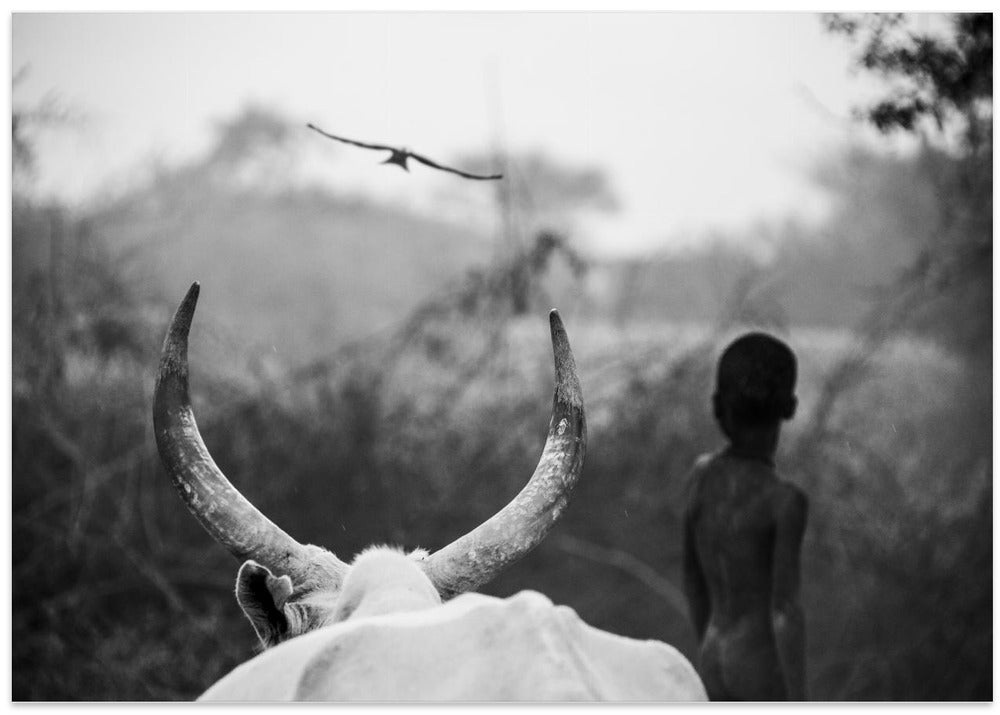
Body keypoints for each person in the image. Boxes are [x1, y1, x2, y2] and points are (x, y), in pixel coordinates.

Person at [682, 332, 808, 701]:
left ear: (719, 407)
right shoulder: (785, 501)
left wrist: (707, 640)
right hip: (759, 667)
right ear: (790, 407)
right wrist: (801, 700)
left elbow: (692, 580)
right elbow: (786, 611)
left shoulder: (700, 478)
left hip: (711, 657)